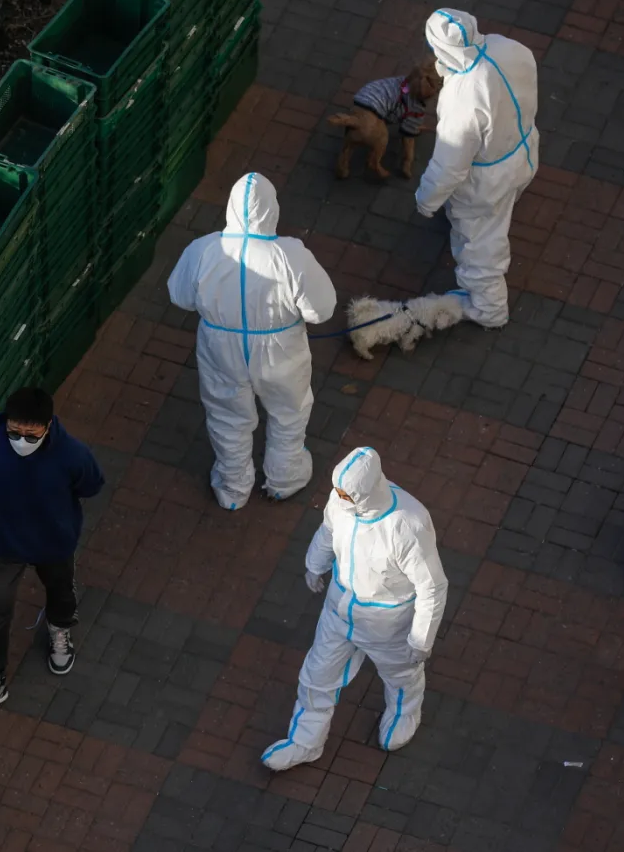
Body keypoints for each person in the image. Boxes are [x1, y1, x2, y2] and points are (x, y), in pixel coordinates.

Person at [261, 447, 448, 771]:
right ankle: (305, 742)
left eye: (346, 493)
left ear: (367, 490)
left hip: (386, 622)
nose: (339, 497)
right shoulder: (341, 503)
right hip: (339, 610)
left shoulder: (406, 524)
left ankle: (405, 711)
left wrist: (420, 640)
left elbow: (432, 586)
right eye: (338, 491)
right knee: (317, 675)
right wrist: (315, 564)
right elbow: (328, 530)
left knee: (400, 674)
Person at [166, 172, 337, 511]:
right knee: (290, 410)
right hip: (281, 351)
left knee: (227, 415)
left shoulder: (204, 249)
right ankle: (284, 479)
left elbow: (179, 295)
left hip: (220, 349)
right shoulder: (291, 255)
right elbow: (322, 310)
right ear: (272, 209)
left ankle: (233, 488)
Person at [0, 386, 104, 725]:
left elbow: (91, 484)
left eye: (30, 433)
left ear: (48, 425)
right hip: (1, 544)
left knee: (60, 590)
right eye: (15, 431)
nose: (21, 439)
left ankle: (59, 627)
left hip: (53, 543)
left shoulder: (72, 455)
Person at [416, 8, 539, 330]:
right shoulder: (508, 47)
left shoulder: (464, 98)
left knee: (480, 246)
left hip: (487, 179)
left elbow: (449, 165)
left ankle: (488, 308)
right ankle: (509, 200)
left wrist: (427, 200)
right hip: (524, 147)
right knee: (509, 194)